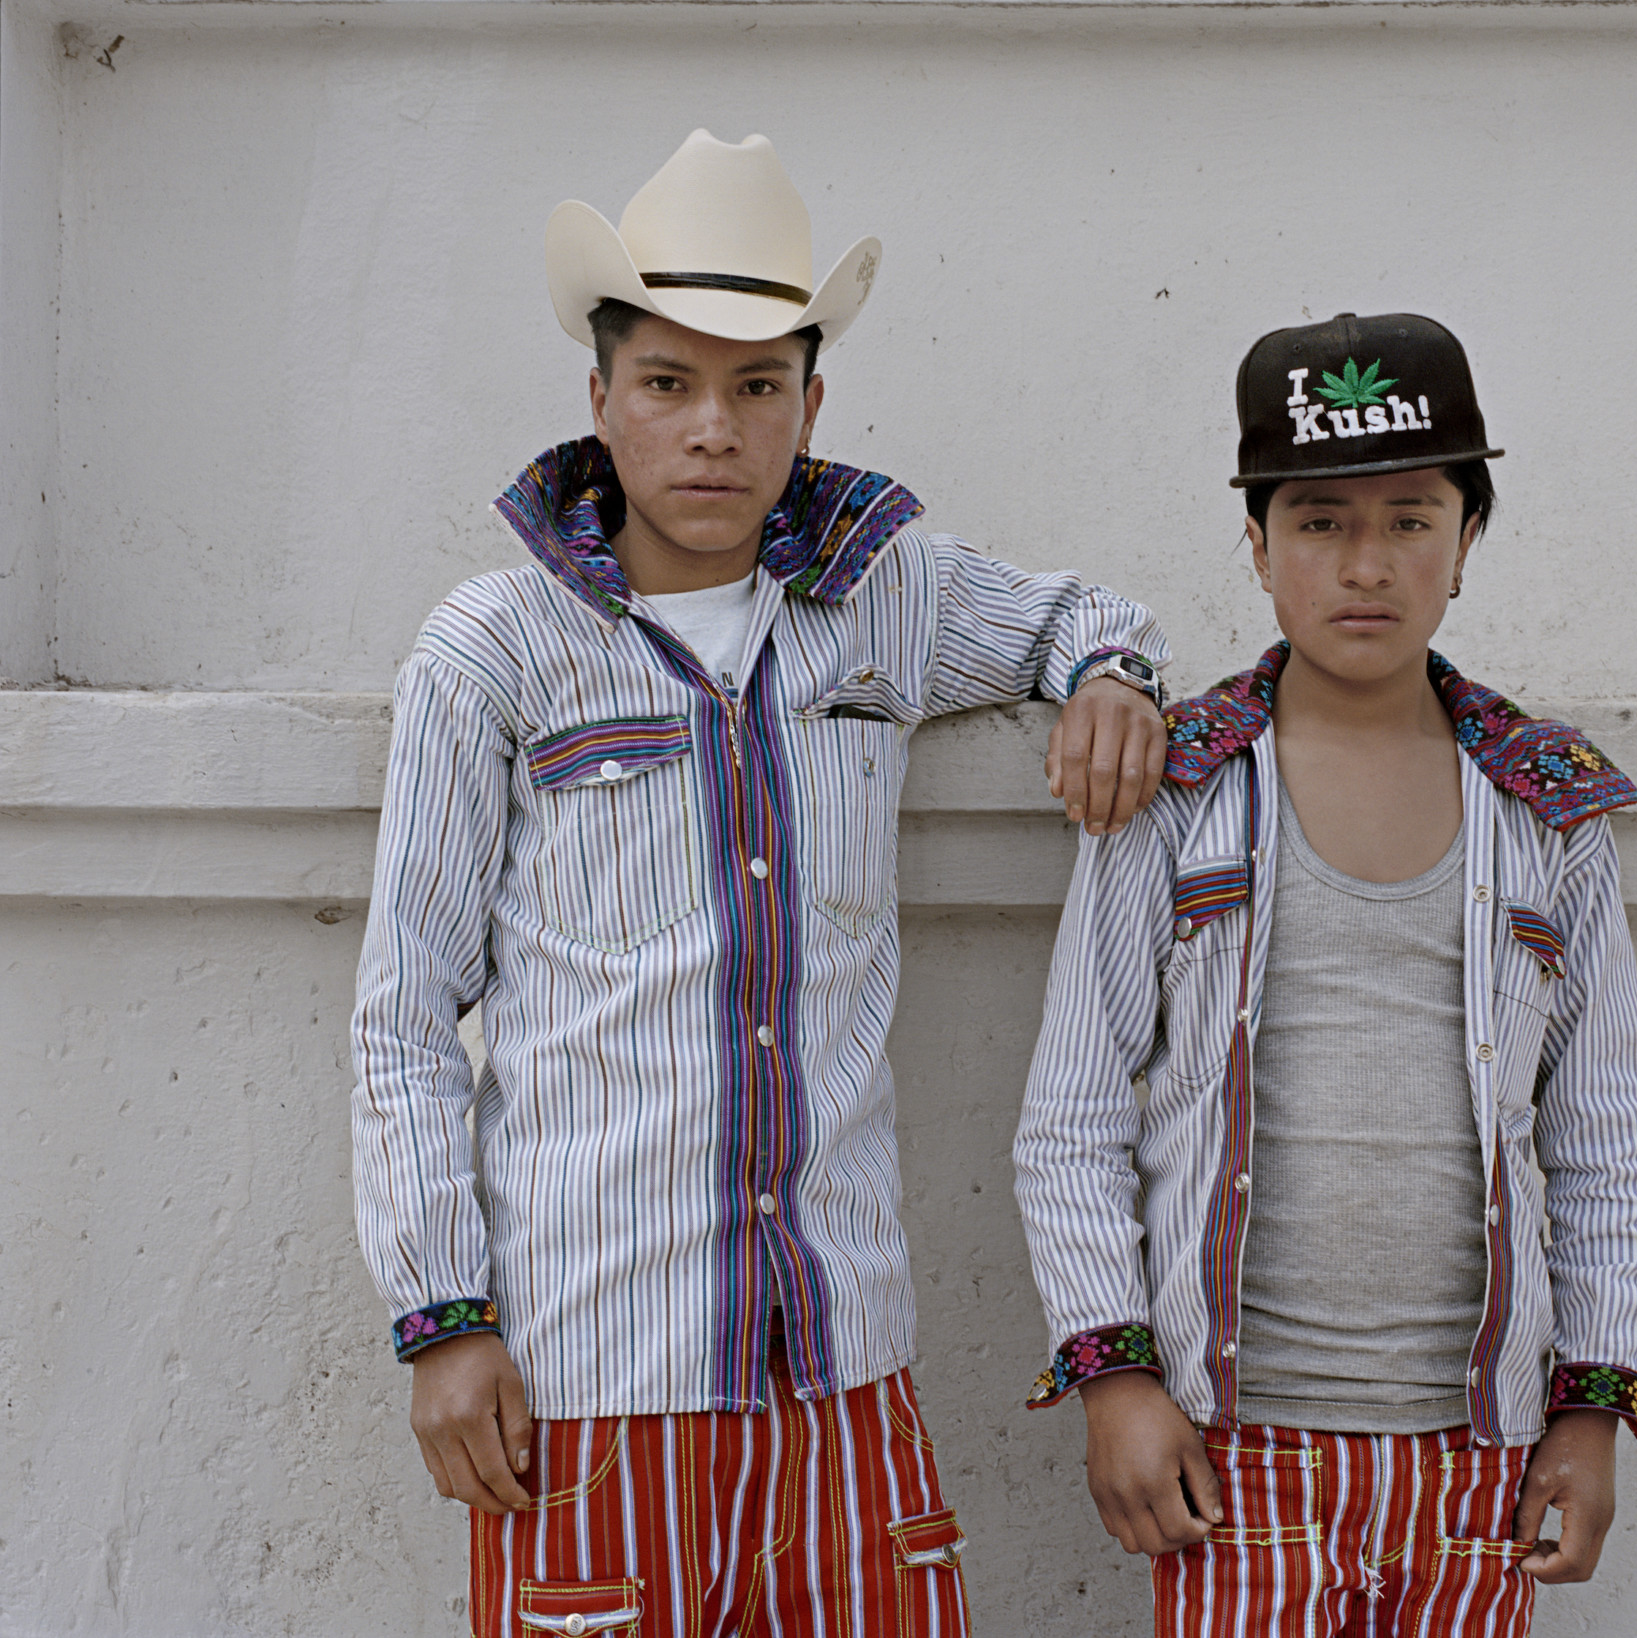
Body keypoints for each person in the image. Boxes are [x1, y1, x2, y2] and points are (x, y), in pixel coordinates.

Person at [351, 130, 1171, 1638]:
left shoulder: (883, 600)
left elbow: (1080, 616)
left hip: (845, 1371)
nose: (712, 430)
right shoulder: (495, 650)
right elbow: (405, 1013)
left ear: (811, 404)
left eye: (757, 387)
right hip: (593, 1382)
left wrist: (1114, 678)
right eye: (668, 384)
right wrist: (441, 1318)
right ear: (601, 398)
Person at [1013, 313, 1637, 1636]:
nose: (1366, 565)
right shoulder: (1175, 796)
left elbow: (1606, 1137)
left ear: (1467, 541)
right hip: (1232, 1451)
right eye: (1319, 523)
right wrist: (1115, 1377)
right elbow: (1071, 1117)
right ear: (1258, 547)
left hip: (1478, 1453)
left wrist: (1594, 1403)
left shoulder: (1547, 810)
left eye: (1411, 520)